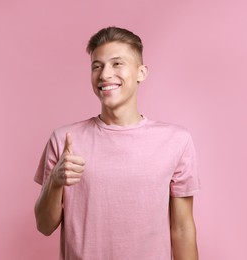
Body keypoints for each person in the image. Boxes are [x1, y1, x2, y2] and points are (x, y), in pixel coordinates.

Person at [34, 26, 200, 260]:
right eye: (97, 66)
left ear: (141, 73)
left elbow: (182, 230)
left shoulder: (176, 141)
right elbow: (44, 225)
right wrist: (55, 181)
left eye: (117, 63)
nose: (104, 75)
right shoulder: (64, 139)